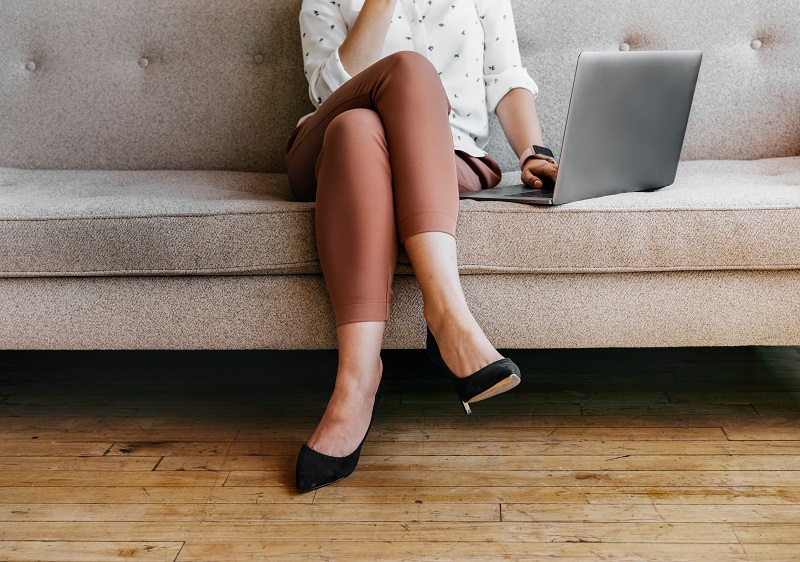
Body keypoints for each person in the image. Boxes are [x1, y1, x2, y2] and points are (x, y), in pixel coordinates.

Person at [285, 0, 558, 493]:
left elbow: (506, 75)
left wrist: (532, 153)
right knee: (387, 88)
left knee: (357, 130)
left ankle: (356, 383)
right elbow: (328, 92)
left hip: (445, 155)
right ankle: (447, 315)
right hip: (325, 151)